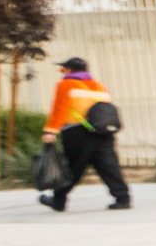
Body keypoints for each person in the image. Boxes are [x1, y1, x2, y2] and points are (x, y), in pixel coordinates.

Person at [41, 57, 130, 212]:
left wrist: (51, 130)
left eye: (63, 69)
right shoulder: (98, 85)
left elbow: (59, 108)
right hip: (102, 132)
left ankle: (58, 201)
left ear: (68, 70)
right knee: (108, 165)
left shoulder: (66, 84)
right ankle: (123, 198)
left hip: (77, 133)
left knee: (72, 168)